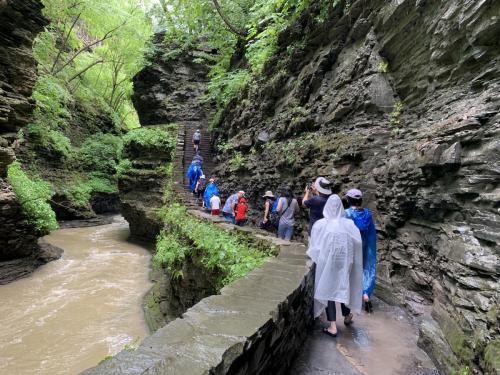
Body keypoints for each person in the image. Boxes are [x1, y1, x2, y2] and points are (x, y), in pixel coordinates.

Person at [307, 195, 363, 337]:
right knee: (343, 285)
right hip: (346, 261)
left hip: (328, 262)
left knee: (329, 289)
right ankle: (347, 314)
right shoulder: (349, 224)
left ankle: (332, 326)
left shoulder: (321, 224)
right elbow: (357, 242)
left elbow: (315, 246)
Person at [345, 188, 377, 313]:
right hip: (365, 246)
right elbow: (372, 234)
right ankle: (366, 294)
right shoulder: (368, 213)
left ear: (348, 200)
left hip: (352, 247)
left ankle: (350, 301)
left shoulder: (347, 213)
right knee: (366, 268)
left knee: (351, 272)